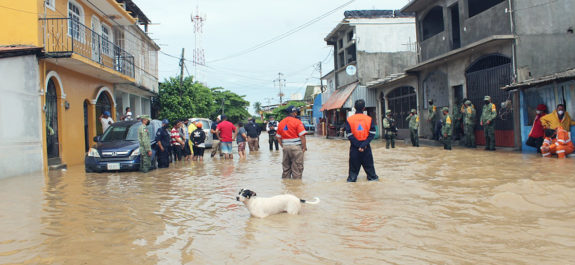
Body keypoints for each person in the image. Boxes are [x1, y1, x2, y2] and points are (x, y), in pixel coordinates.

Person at [345, 99, 379, 182]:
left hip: (354, 148)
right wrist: (363, 145)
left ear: (354, 108)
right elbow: (372, 133)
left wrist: (358, 145)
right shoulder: (369, 119)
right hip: (366, 147)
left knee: (352, 177)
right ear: (364, 108)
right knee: (372, 176)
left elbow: (349, 134)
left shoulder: (349, 119)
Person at [277, 105, 307, 179]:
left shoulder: (281, 122)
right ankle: (296, 188)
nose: (296, 114)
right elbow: (302, 136)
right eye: (296, 112)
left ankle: (286, 186)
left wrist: (283, 146)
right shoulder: (297, 122)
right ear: (294, 113)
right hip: (296, 148)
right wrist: (304, 148)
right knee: (297, 169)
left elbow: (278, 137)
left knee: (286, 169)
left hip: (285, 148)